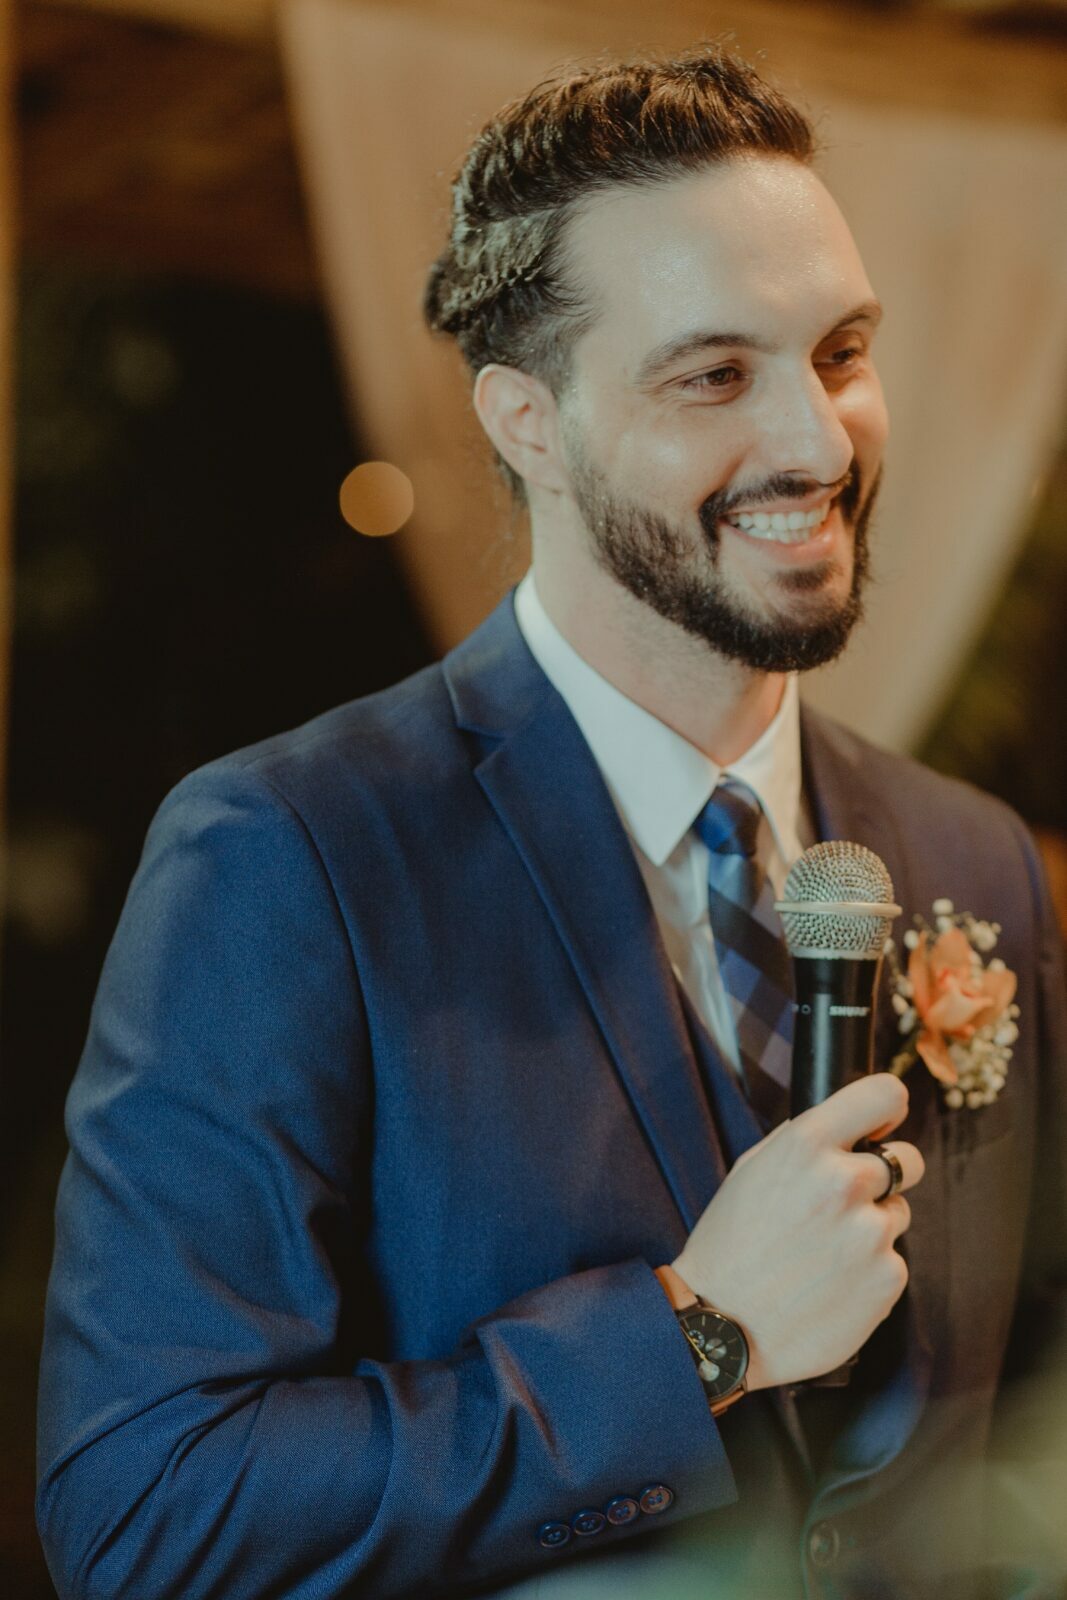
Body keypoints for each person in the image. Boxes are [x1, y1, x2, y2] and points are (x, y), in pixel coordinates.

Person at [36, 48, 1067, 1600]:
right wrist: (697, 1337)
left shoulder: (974, 857)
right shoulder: (287, 854)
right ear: (528, 419)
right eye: (713, 376)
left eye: (840, 351)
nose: (817, 440)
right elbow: (148, 1510)